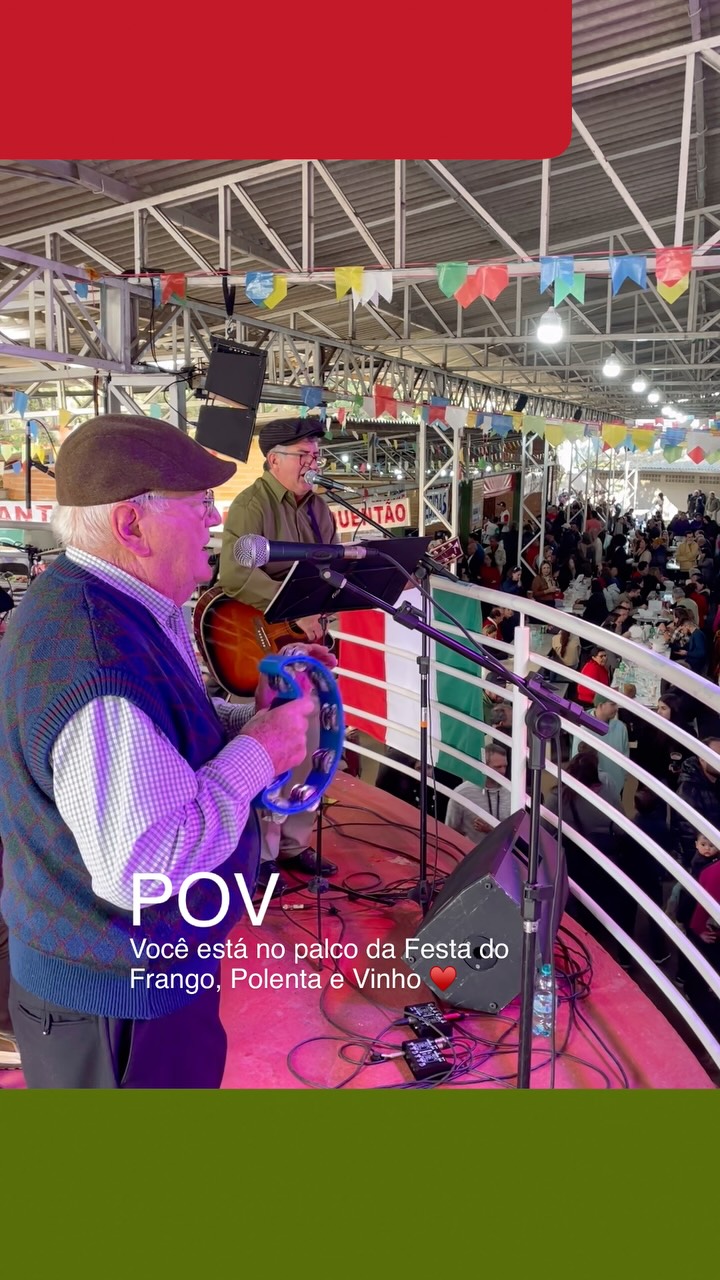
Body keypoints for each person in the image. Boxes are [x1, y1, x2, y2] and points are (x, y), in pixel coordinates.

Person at [0, 414, 330, 1090]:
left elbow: (156, 739)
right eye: (198, 505)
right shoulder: (100, 655)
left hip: (120, 982)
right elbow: (145, 862)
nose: (214, 521)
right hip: (114, 1000)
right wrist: (261, 754)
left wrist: (250, 718)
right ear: (131, 524)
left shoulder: (104, 603)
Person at [217, 416, 340, 886]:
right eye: (304, 455)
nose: (313, 464)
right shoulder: (251, 505)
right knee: (273, 745)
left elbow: (329, 570)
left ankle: (294, 844)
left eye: (315, 456)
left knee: (312, 744)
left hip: (309, 641)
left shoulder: (321, 511)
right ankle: (262, 855)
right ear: (275, 460)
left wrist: (325, 608)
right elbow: (235, 576)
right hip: (268, 639)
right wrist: (292, 610)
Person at [445, 744, 511, 842]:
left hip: (506, 852)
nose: (503, 771)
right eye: (498, 767)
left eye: (505, 766)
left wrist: (491, 829)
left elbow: (516, 831)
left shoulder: (511, 791)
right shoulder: (462, 793)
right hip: (472, 854)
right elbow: (449, 831)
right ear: (484, 766)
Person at [570, 695, 629, 800]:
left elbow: (625, 753)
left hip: (617, 785)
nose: (616, 708)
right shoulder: (584, 729)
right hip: (593, 789)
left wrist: (623, 775)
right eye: (612, 704)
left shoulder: (621, 728)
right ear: (601, 705)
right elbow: (577, 761)